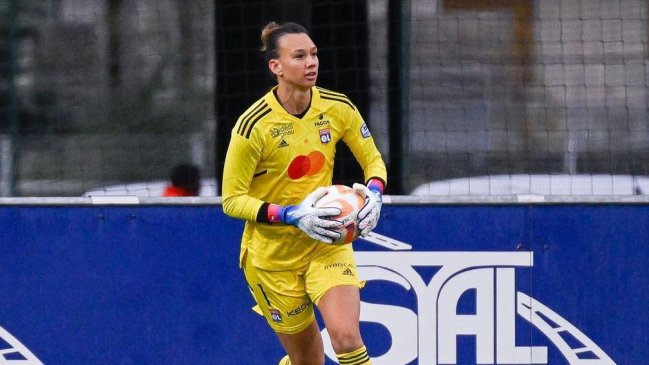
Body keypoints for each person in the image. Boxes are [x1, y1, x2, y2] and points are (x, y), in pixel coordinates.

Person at [221, 21, 386, 365]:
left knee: (346, 338)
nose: (311, 62)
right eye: (299, 56)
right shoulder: (253, 125)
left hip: (326, 243)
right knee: (309, 360)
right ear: (276, 67)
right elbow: (232, 200)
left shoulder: (338, 107)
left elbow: (373, 160)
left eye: (313, 54)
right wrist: (293, 214)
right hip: (272, 259)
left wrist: (374, 193)